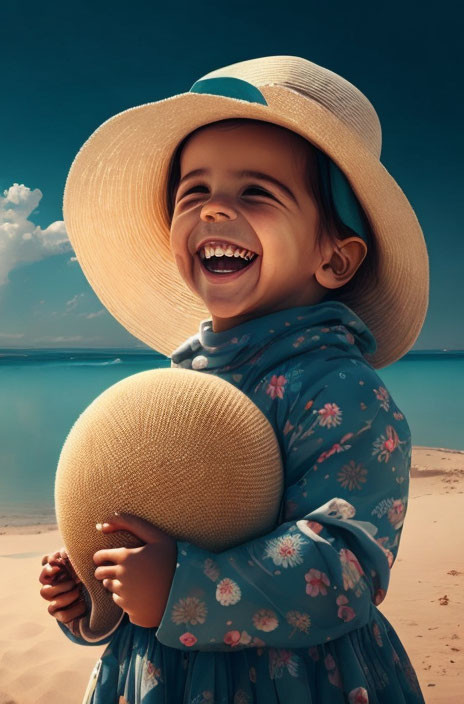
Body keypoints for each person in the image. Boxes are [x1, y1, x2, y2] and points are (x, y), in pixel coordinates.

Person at [39, 56, 428, 703]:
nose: (215, 210)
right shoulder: (177, 386)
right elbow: (144, 528)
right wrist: (95, 591)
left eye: (256, 192)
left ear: (334, 256)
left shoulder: (342, 392)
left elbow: (347, 573)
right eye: (194, 192)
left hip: (292, 680)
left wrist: (178, 589)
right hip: (158, 672)